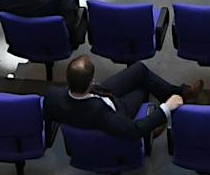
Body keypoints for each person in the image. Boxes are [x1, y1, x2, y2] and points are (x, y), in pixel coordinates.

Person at [44, 52, 197, 143]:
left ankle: (178, 92)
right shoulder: (102, 115)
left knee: (139, 70)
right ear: (91, 81)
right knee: (143, 87)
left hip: (98, 93)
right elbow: (134, 131)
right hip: (118, 108)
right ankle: (168, 106)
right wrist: (166, 108)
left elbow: (50, 115)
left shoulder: (52, 96)